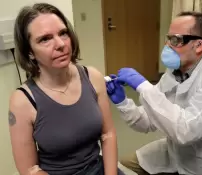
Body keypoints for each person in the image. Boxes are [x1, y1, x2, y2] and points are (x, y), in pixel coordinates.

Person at [106, 11, 202, 175]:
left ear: (199, 45)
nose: (167, 46)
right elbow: (148, 121)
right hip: (178, 154)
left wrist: (144, 87)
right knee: (123, 165)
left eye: (176, 40)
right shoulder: (173, 72)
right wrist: (123, 103)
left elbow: (187, 130)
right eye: (168, 39)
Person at [8, 3, 124, 175]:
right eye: (45, 39)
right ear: (30, 52)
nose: (61, 44)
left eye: (63, 33)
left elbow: (107, 134)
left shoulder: (93, 77)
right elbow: (30, 169)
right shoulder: (22, 101)